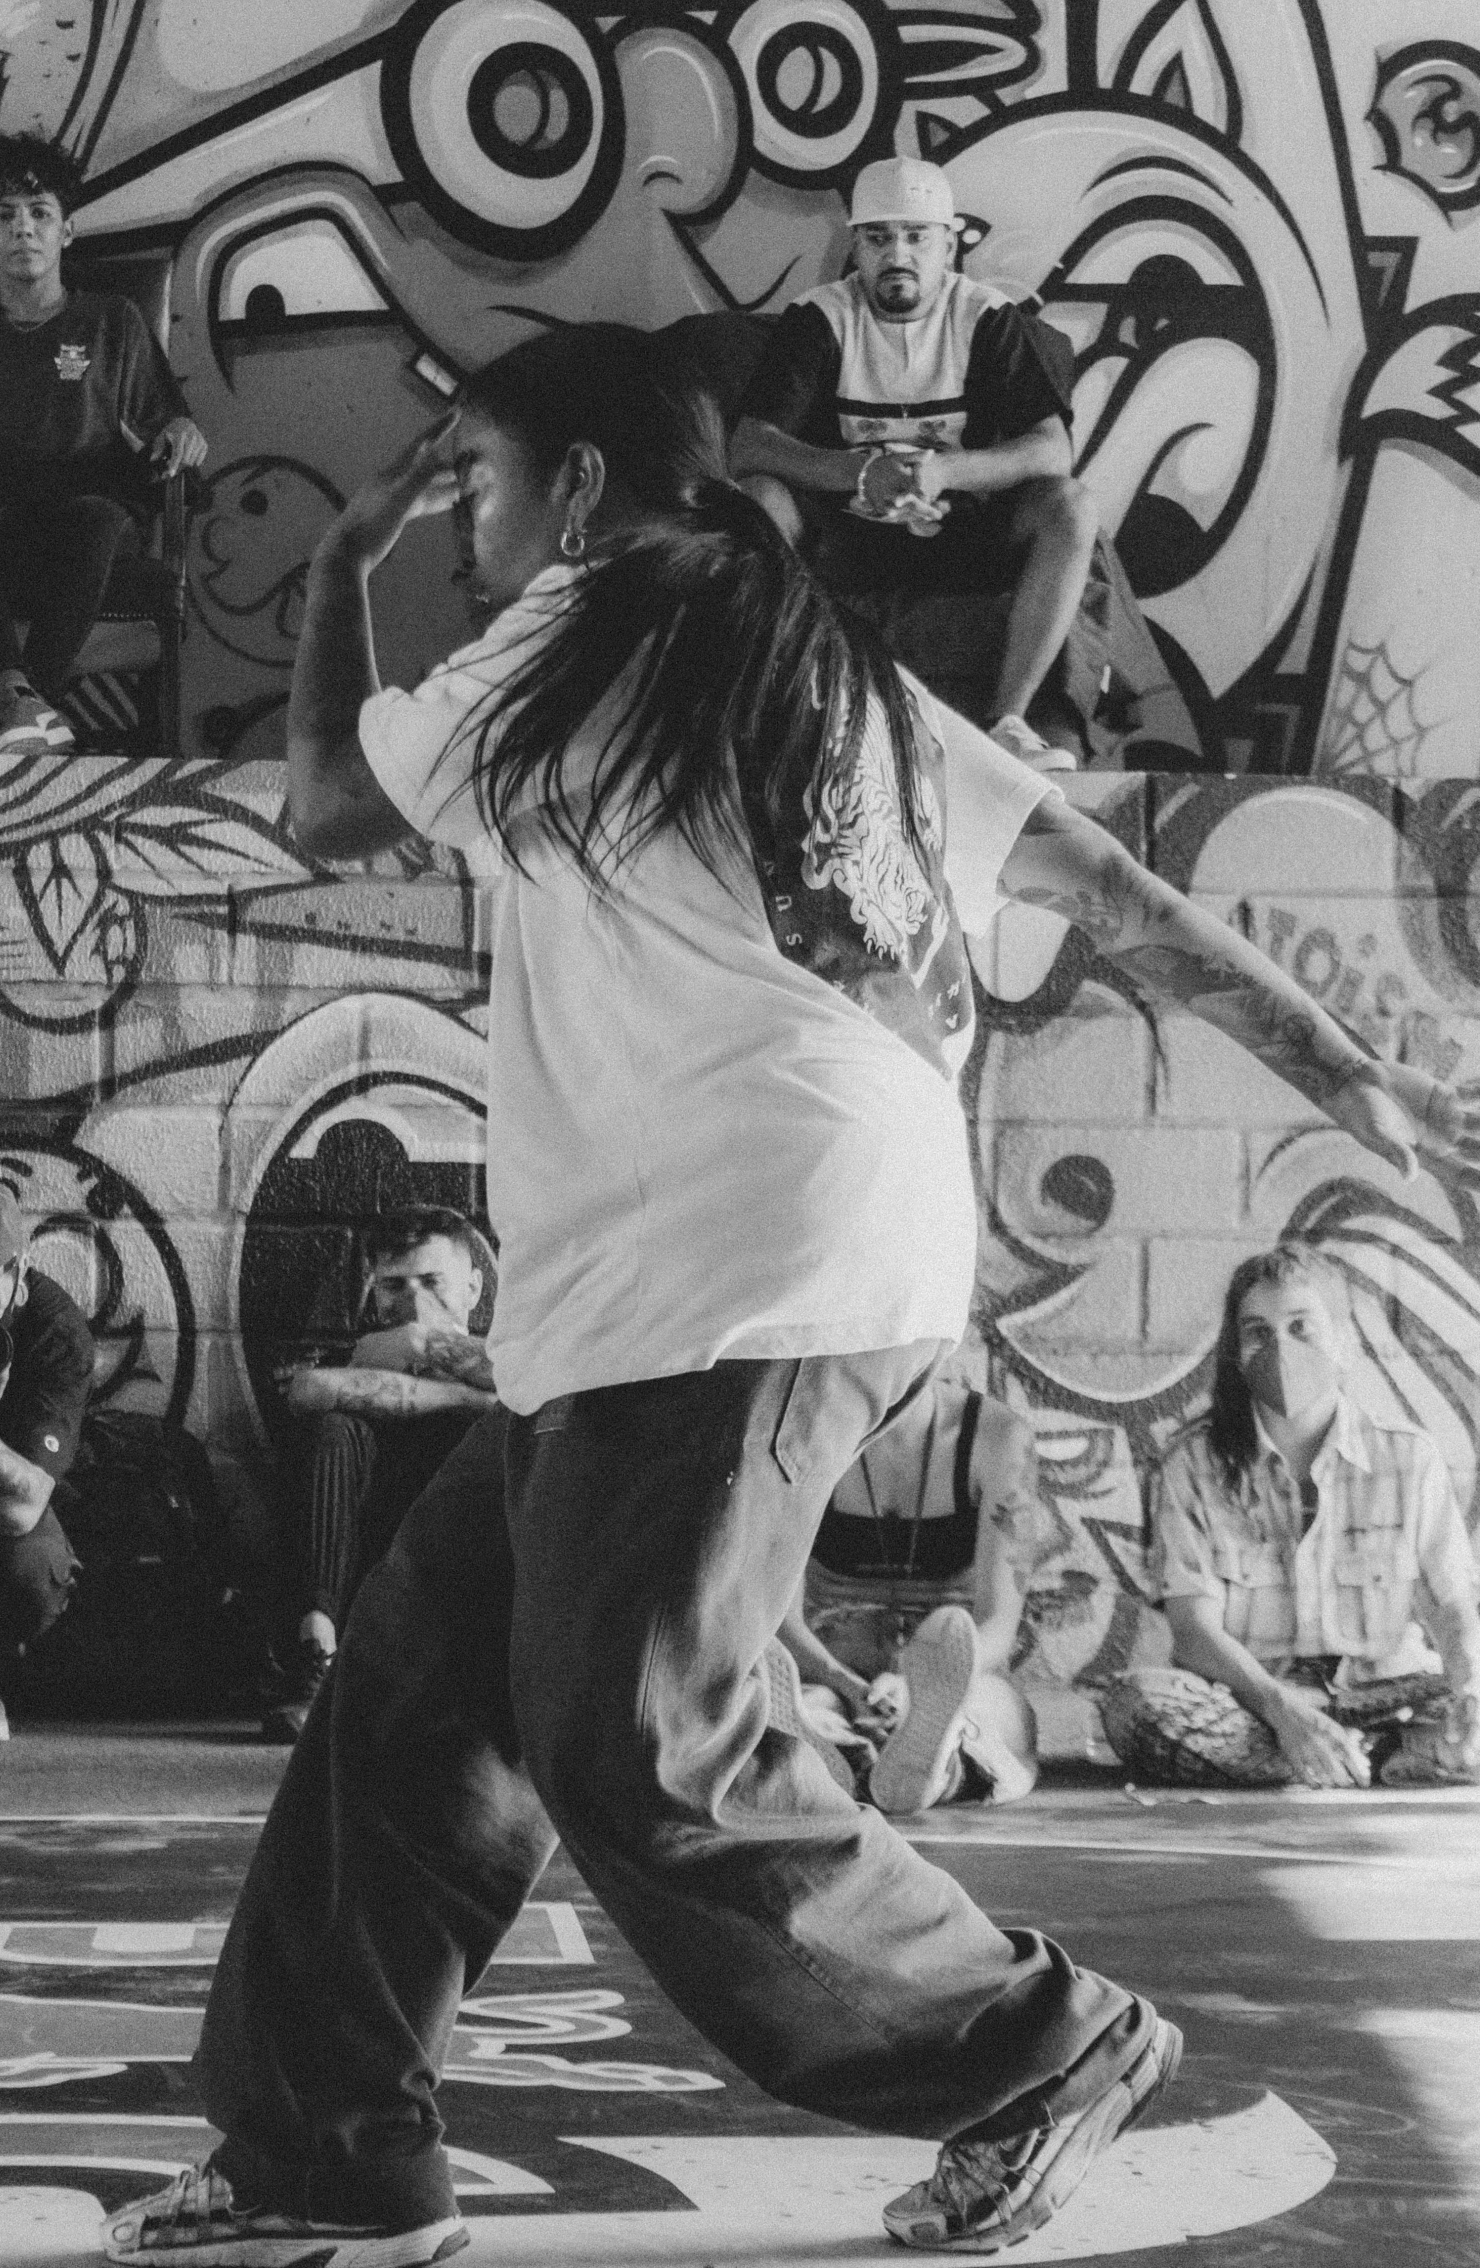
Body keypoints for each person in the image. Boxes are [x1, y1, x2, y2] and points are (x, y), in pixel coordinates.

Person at [102, 325, 1480, 2268]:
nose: (472, 535)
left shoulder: (571, 633)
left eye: (482, 486)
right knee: (415, 1695)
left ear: (577, 492)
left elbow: (329, 800)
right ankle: (327, 2148)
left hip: (724, 1263)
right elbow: (1121, 891)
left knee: (636, 1741)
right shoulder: (843, 674)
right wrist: (1362, 1075)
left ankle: (1033, 2044)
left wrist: (342, 573)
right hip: (768, 1257)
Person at [730, 154, 1096, 772]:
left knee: (1070, 503)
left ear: (947, 247)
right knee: (756, 498)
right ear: (856, 247)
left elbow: (1051, 448)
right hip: (847, 536)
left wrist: (944, 471)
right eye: (878, 238)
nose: (897, 255)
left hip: (963, 531)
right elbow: (749, 446)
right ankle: (772, 713)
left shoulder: (985, 317)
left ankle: (1008, 721)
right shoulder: (821, 317)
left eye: (916, 237)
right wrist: (858, 472)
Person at [1102, 1242, 1480, 1791]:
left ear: (1341, 1341)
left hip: (1392, 1696)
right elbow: (1193, 1633)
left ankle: (1346, 1756)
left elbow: (1453, 1606)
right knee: (1134, 1705)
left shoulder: (1409, 1458)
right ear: (1236, 1352)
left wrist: (1468, 1694)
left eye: (1301, 1327)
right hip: (1260, 1702)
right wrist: (1284, 1712)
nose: (1280, 1348)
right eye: (1258, 1332)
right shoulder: (1192, 1465)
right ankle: (1377, 1761)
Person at [0, 131, 206, 755]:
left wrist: (182, 430)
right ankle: (24, 703)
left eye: (39, 214)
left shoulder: (112, 322)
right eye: (3, 216)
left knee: (101, 516)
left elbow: (169, 422)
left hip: (87, 533)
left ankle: (20, 700)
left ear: (66, 232)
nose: (23, 230)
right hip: (0, 533)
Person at [263, 1209, 498, 1741]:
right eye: (393, 1285)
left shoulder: (510, 1356)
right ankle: (316, 1655)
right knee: (334, 1428)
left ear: (474, 1287)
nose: (413, 1301)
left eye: (432, 1281)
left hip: (461, 1569)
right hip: (365, 1560)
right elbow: (307, 1390)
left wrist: (423, 1354)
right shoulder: (351, 1356)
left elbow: (527, 1390)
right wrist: (463, 1395)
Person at [779, 1362, 1041, 1810]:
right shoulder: (803, 1432)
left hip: (952, 1668)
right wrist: (843, 1683)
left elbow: (998, 1623)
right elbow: (781, 1615)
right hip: (830, 1663)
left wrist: (916, 1684)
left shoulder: (995, 1435)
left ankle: (931, 1767)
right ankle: (835, 1753)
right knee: (812, 1706)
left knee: (990, 1713)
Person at [0, 1180, 96, 1743]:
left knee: (33, 1572)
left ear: (20, 1269)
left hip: (1, 1505)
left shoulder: (55, 1330)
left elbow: (23, 1508)